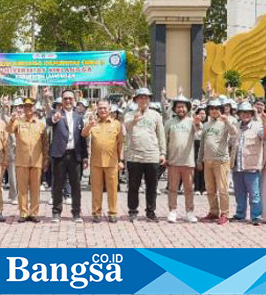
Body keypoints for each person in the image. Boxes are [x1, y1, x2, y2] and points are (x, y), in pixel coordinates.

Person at [123, 88, 165, 222]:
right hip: (134, 155)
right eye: (140, 97)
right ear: (136, 100)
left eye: (146, 97)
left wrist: (163, 153)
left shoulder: (156, 115)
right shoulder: (129, 114)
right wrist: (133, 120)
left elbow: (161, 135)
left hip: (151, 155)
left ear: (150, 99)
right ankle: (133, 211)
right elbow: (125, 129)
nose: (143, 100)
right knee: (133, 186)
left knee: (152, 186)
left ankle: (151, 211)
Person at [47, 90, 87, 223]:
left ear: (74, 100)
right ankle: (56, 212)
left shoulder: (79, 116)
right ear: (62, 100)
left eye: (70, 99)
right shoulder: (56, 113)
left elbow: (83, 138)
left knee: (76, 185)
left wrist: (85, 156)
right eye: (65, 99)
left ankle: (76, 213)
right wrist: (54, 119)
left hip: (75, 155)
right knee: (57, 185)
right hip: (59, 154)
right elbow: (48, 122)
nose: (68, 101)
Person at [82, 99, 123, 223]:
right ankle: (96, 212)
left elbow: (121, 143)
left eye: (105, 108)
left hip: (112, 162)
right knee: (96, 189)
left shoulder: (116, 124)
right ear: (97, 110)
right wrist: (89, 124)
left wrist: (121, 160)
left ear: (110, 109)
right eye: (100, 108)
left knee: (112, 189)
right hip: (96, 163)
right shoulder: (93, 123)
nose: (103, 110)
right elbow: (83, 134)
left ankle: (113, 212)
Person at [197, 98, 237, 225]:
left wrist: (227, 122)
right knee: (210, 188)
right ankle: (213, 212)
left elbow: (234, 133)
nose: (214, 111)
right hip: (207, 160)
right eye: (212, 109)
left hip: (221, 160)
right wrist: (199, 160)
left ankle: (225, 213)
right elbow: (202, 144)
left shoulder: (225, 122)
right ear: (209, 111)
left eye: (217, 108)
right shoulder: (206, 125)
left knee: (222, 189)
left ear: (220, 110)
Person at [7, 97, 47, 223]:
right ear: (23, 108)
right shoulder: (18, 122)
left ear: (34, 108)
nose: (28, 109)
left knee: (35, 189)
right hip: (22, 161)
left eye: (30, 106)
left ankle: (34, 213)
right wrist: (12, 120)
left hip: (36, 161)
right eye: (25, 106)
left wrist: (46, 159)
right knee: (22, 189)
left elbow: (45, 143)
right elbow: (9, 130)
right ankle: (23, 213)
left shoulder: (41, 123)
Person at [230, 102, 266, 226]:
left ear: (252, 114)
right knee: (239, 193)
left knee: (254, 194)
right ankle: (240, 214)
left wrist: (264, 122)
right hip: (237, 166)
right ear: (239, 114)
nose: (245, 115)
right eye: (243, 112)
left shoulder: (258, 126)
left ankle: (256, 216)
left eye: (248, 113)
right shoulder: (235, 126)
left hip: (252, 166)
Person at [164, 94, 201, 223]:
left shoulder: (192, 122)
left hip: (188, 161)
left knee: (189, 189)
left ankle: (189, 212)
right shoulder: (169, 123)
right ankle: (172, 211)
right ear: (174, 109)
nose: (181, 109)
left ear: (188, 108)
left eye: (183, 107)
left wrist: (197, 124)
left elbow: (199, 134)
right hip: (173, 161)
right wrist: (164, 155)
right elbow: (164, 140)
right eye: (178, 107)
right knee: (173, 188)